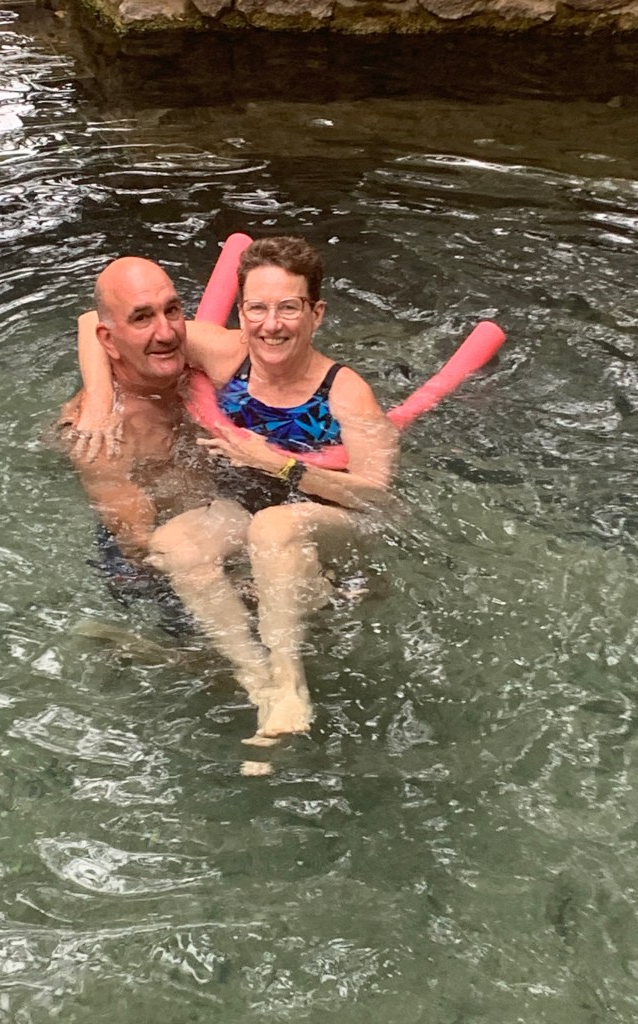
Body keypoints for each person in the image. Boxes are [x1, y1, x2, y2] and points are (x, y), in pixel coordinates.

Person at [76, 237, 399, 740]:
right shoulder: (228, 354)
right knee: (176, 544)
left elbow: (380, 502)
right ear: (242, 313)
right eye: (257, 308)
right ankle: (257, 680)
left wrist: (282, 465)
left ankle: (290, 684)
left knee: (275, 527)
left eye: (288, 307)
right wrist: (99, 403)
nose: (272, 325)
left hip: (328, 519)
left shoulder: (345, 391)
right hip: (247, 508)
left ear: (316, 314)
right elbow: (93, 323)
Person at [57, 255, 278, 736]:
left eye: (172, 310)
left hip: (218, 509)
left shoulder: (184, 354)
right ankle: (141, 649)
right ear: (110, 341)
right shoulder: (101, 436)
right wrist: (243, 585)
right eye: (142, 318)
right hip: (151, 555)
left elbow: (282, 350)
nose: (166, 331)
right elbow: (142, 546)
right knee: (223, 675)